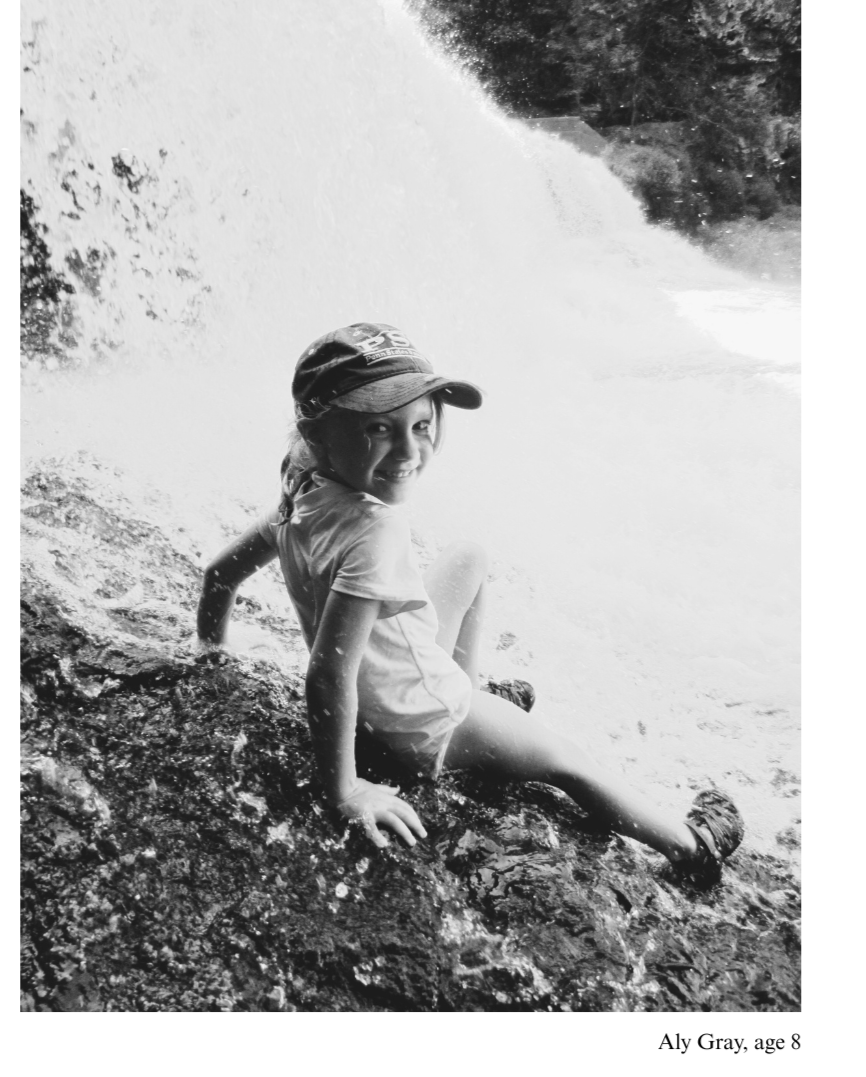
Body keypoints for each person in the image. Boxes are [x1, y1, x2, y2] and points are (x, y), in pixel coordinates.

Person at [197, 323, 743, 886]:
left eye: (421, 426)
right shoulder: (373, 529)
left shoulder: (299, 490)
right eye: (378, 429)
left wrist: (211, 651)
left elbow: (219, 577)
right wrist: (345, 790)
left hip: (384, 696)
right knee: (569, 762)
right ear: (318, 431)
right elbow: (328, 673)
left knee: (468, 557)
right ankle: (691, 848)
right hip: (424, 724)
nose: (409, 450)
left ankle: (471, 692)